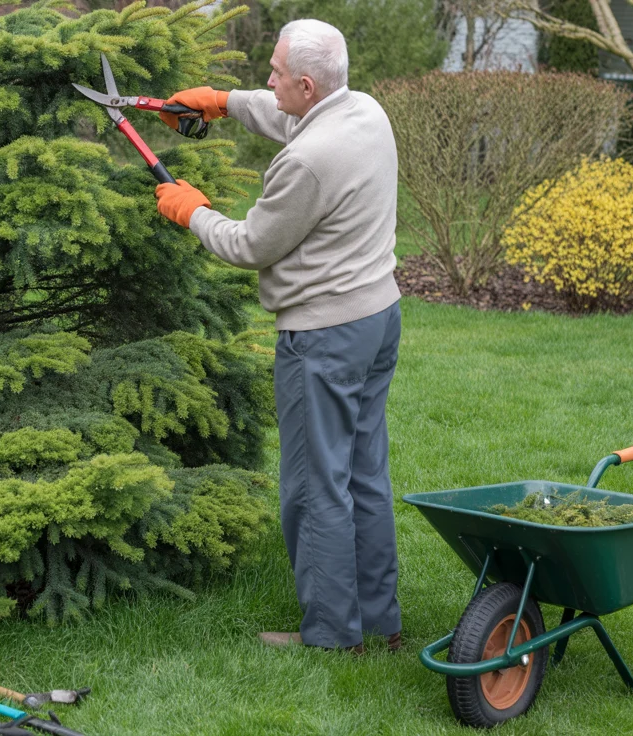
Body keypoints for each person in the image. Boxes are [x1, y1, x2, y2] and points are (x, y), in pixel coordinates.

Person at [154, 19, 402, 655]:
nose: (267, 80)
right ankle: (377, 619)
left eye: (276, 73)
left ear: (309, 83)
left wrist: (192, 210)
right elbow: (285, 112)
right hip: (378, 319)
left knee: (317, 486)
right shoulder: (364, 113)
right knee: (364, 474)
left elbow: (251, 243)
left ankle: (330, 634)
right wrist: (224, 103)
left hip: (324, 337)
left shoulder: (307, 163)